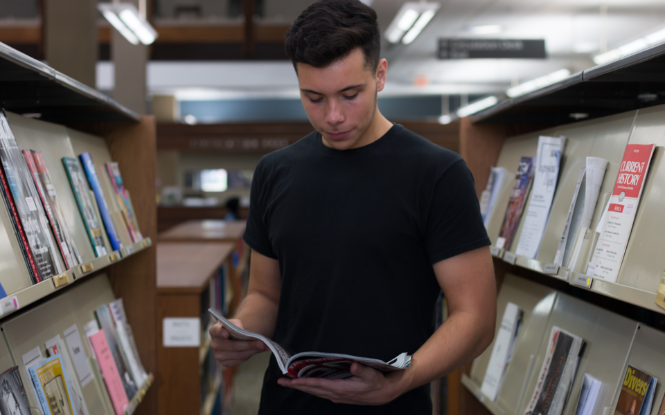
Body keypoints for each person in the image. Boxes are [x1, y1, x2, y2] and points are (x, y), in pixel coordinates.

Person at [209, 0, 497, 413]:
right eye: (314, 97)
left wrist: (402, 381)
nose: (333, 116)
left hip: (394, 406)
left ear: (379, 75)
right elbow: (266, 296)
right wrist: (241, 331)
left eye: (350, 94)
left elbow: (476, 317)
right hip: (287, 405)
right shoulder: (274, 172)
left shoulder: (438, 174)